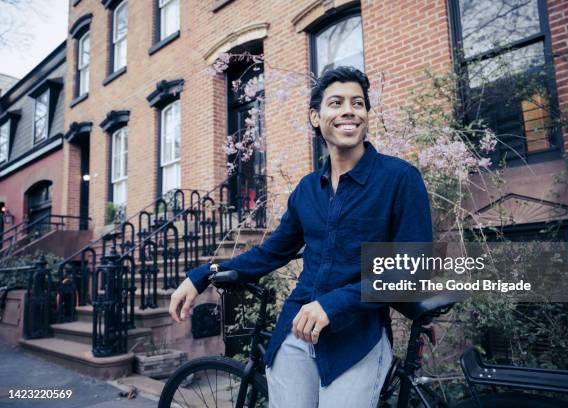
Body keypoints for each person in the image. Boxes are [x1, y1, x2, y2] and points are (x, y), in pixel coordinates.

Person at [169, 66, 432, 408]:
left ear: (367, 114)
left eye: (358, 103)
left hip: (358, 338)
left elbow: (414, 266)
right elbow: (271, 253)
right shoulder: (307, 190)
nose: (349, 110)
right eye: (336, 103)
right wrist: (205, 273)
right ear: (315, 116)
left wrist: (334, 304)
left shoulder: (400, 179)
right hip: (295, 333)